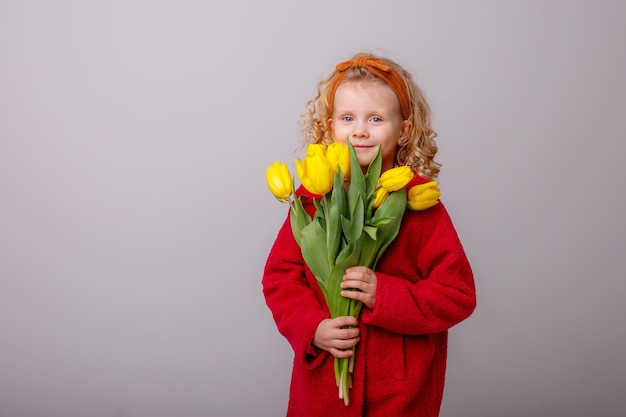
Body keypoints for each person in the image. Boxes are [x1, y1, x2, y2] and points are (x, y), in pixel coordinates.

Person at [262, 53, 476, 417]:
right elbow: (280, 278)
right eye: (348, 119)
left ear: (404, 130)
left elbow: (457, 294)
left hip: (399, 388)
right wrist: (312, 328)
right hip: (326, 379)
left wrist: (385, 294)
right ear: (331, 128)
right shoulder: (312, 199)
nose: (360, 130)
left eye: (375, 119)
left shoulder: (418, 203)